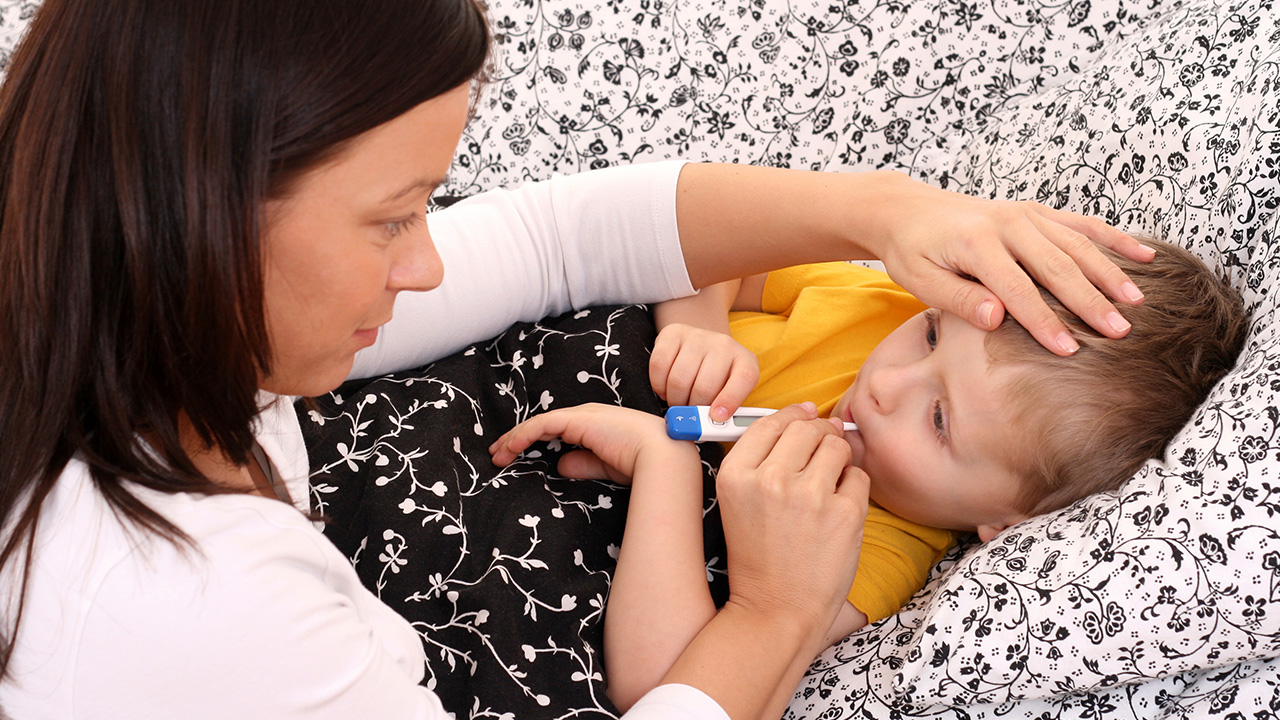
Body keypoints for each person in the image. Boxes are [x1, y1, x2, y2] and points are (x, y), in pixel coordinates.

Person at [0, 0, 1155, 718]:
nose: (429, 268)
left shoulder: (124, 294)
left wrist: (886, 212)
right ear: (208, 209)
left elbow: (559, 238)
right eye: (394, 216)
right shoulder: (188, 605)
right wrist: (769, 612)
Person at [488, 239, 1246, 714]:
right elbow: (701, 254)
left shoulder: (879, 553)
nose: (888, 385)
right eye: (928, 334)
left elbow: (667, 686)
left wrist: (666, 465)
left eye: (941, 421)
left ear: (1008, 522)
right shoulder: (877, 299)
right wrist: (701, 327)